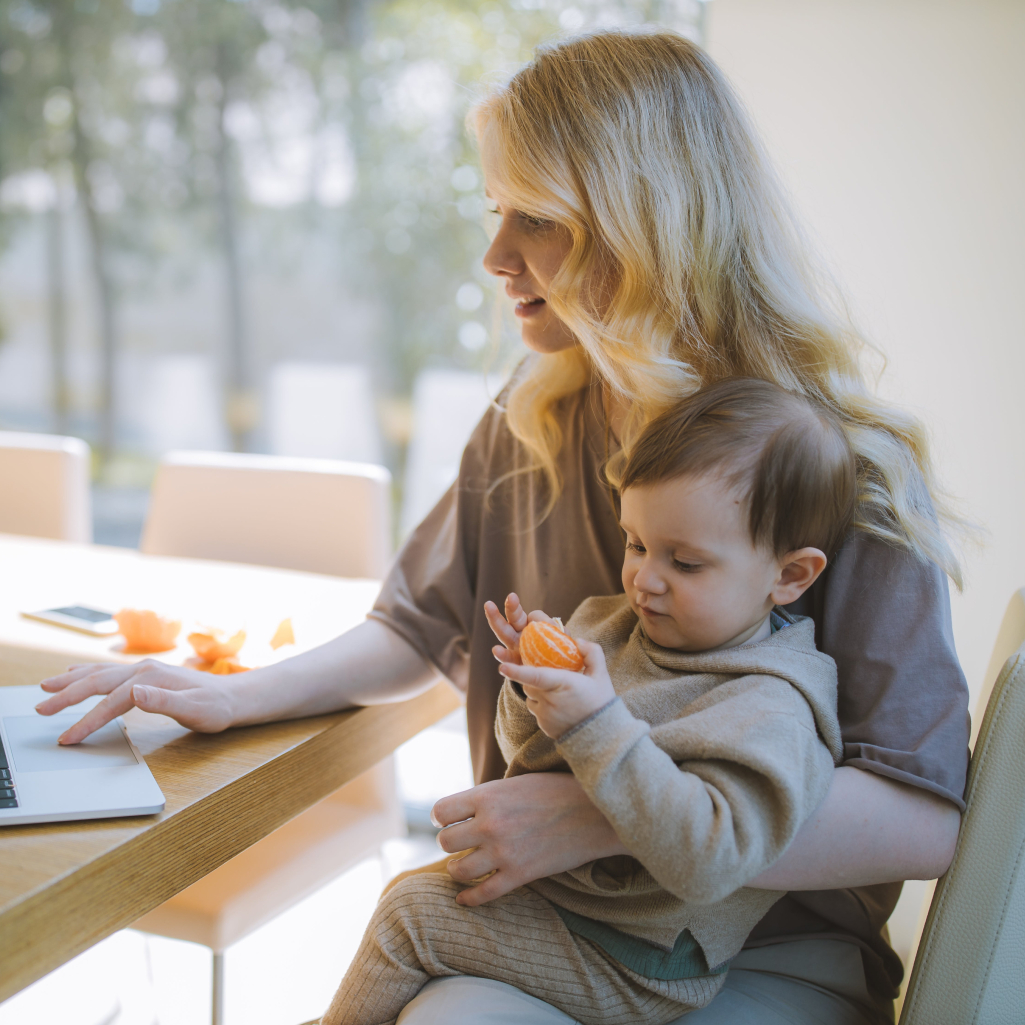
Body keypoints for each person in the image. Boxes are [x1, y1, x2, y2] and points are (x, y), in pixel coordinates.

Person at [36, 30, 968, 1025]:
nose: (493, 256)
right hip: (559, 916)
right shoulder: (533, 417)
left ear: (645, 223)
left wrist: (599, 813)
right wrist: (236, 694)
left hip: (764, 951)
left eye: (538, 219)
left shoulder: (840, 468)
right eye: (494, 212)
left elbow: (918, 819)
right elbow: (415, 626)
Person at [319, 377, 855, 1025]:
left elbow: (710, 860)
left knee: (409, 918)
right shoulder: (614, 624)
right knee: (417, 897)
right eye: (635, 543)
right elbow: (533, 757)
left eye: (684, 563)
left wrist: (597, 722)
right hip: (570, 908)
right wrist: (532, 688)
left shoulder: (771, 704)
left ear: (789, 575)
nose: (643, 579)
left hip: (640, 958)